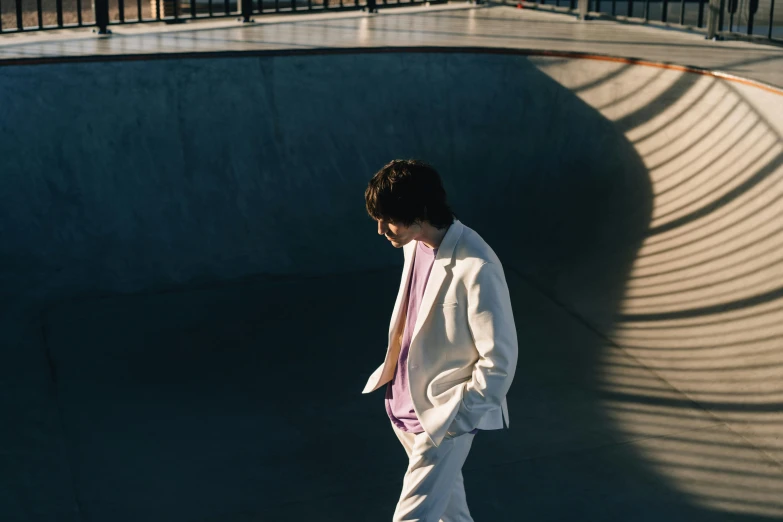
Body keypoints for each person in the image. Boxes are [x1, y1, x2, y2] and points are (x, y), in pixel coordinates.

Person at [362, 159, 518, 522]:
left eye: (390, 219)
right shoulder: (414, 244)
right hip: (403, 407)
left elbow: (499, 361)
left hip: (443, 417)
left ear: (422, 211)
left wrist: (457, 420)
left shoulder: (477, 266)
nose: (382, 230)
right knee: (452, 516)